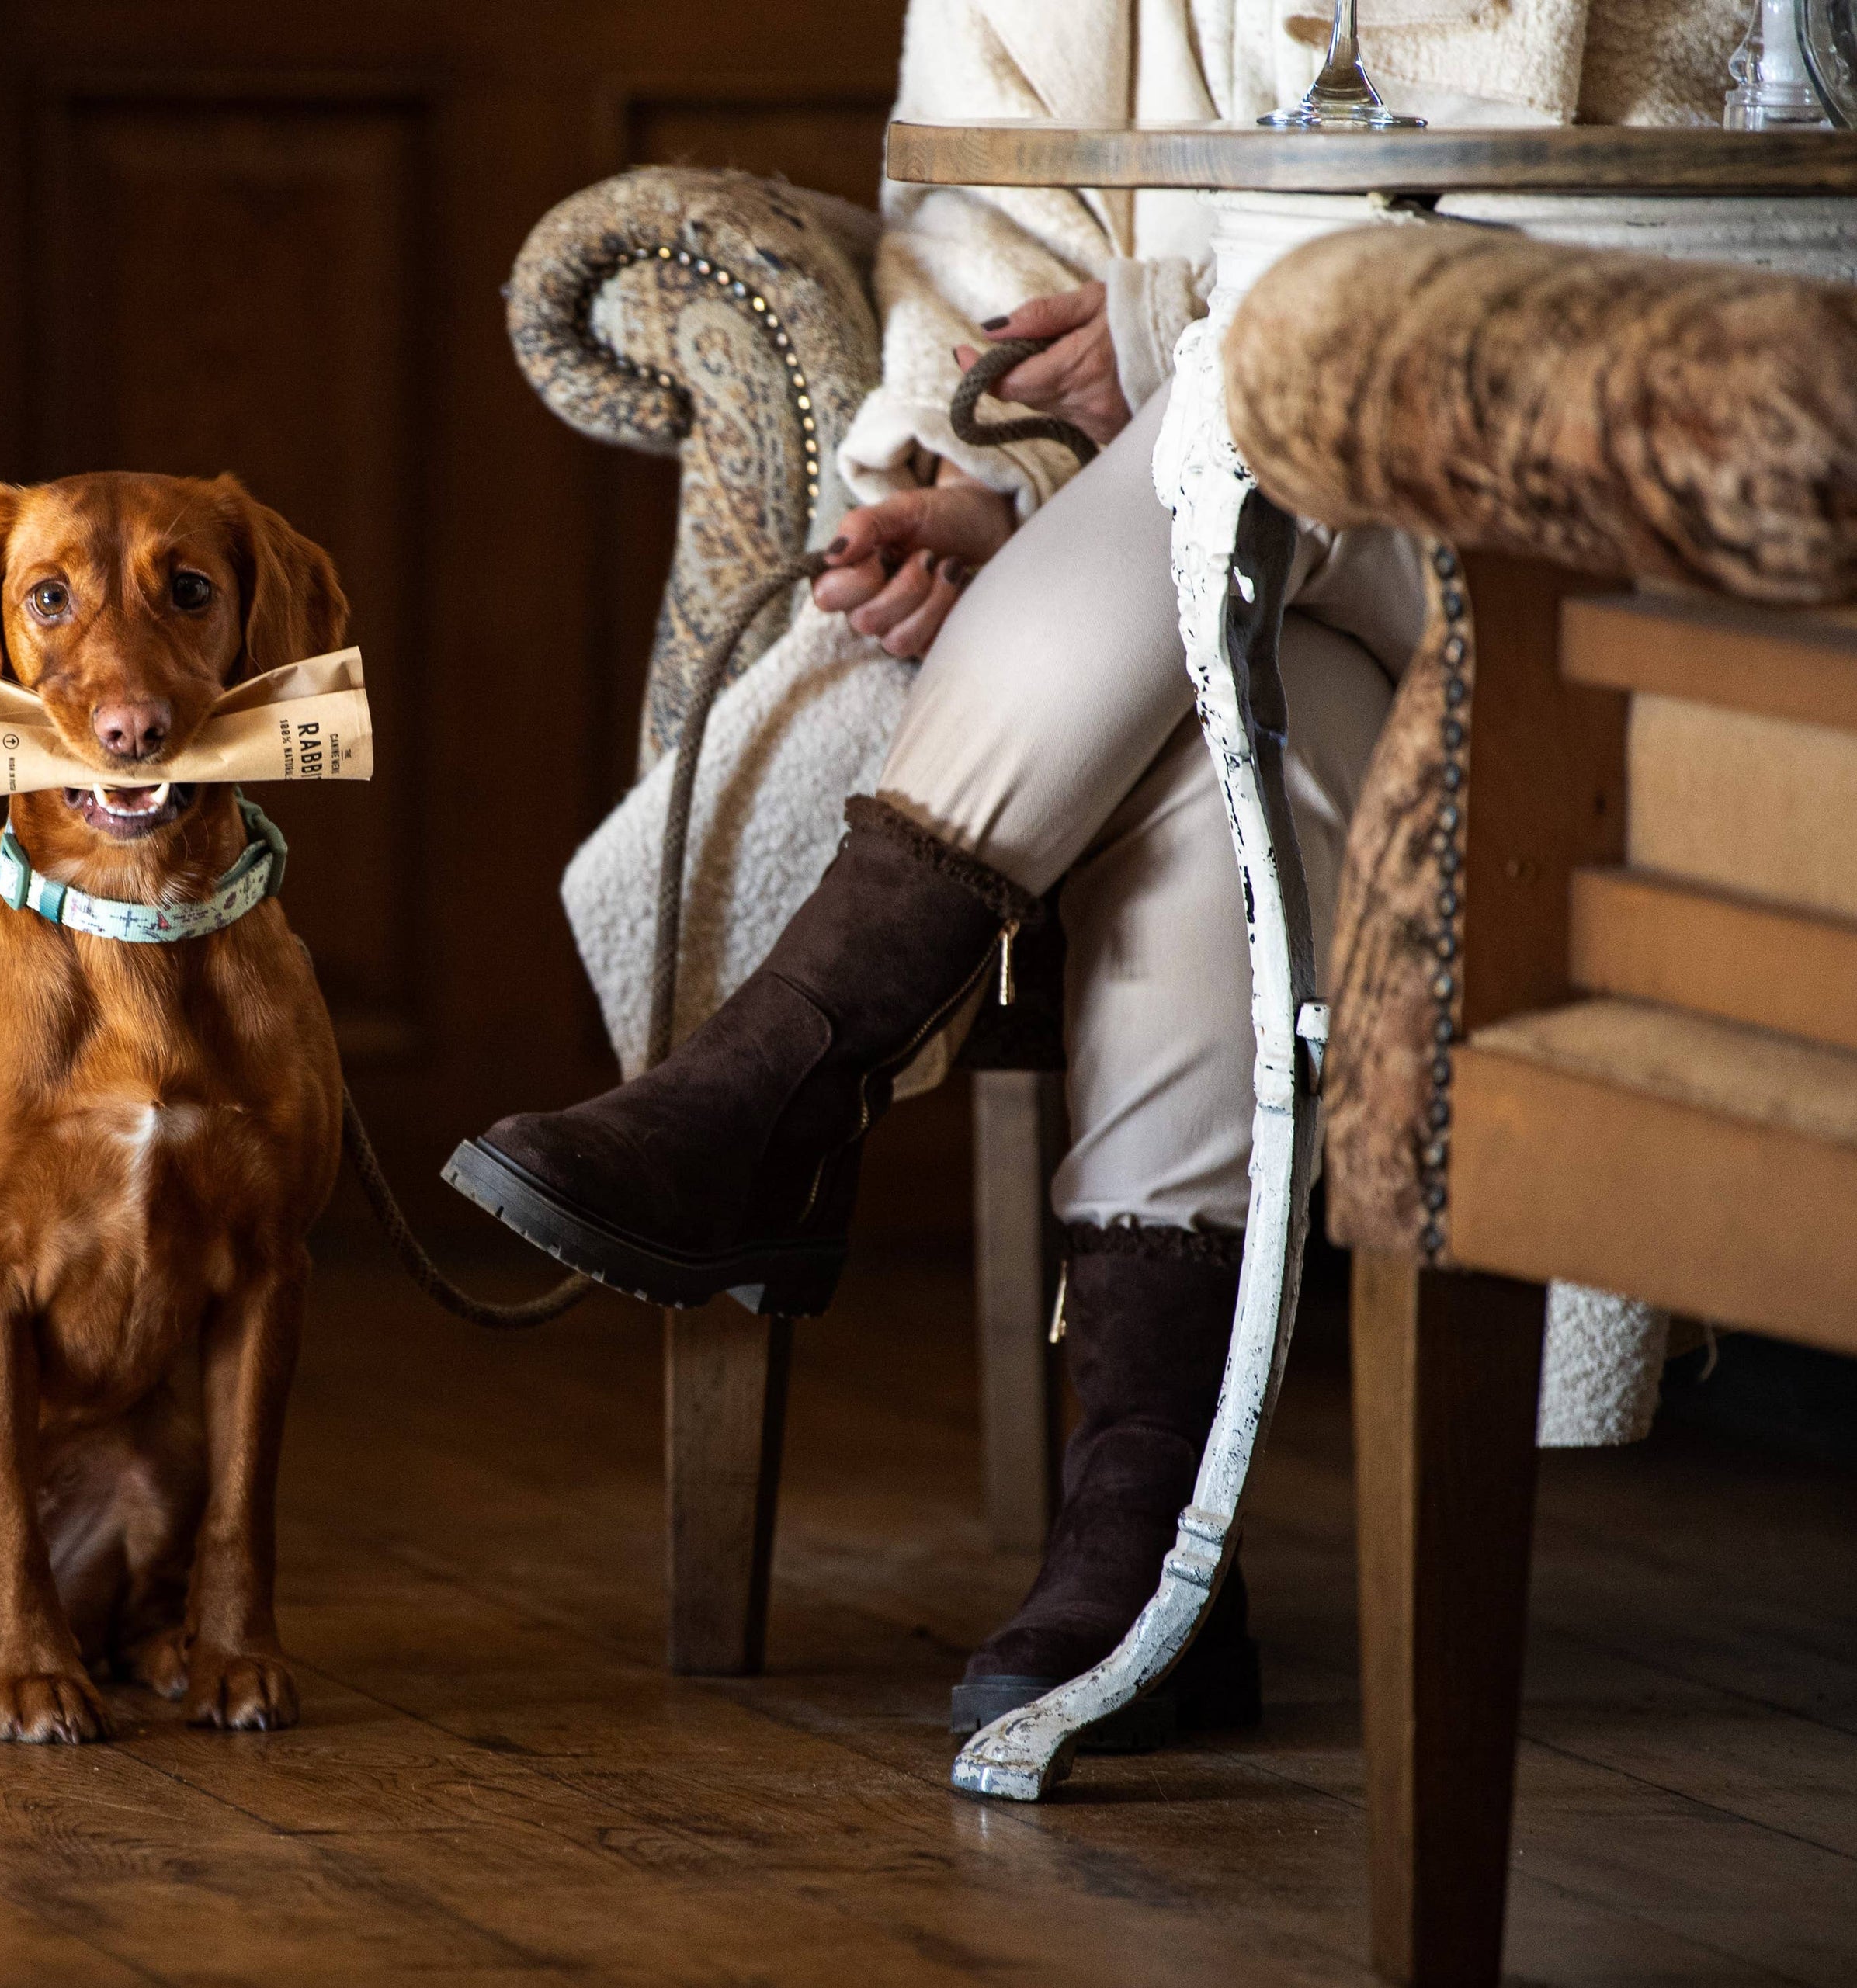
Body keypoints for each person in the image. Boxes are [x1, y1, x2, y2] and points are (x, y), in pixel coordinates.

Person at [448, 0, 1743, 1742]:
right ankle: (1148, 1552)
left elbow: (1664, 233)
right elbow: (982, 247)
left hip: (1565, 554)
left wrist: (1168, 343)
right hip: (1242, 598)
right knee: (1226, 728)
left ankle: (786, 1076)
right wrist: (1003, 487)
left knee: (1285, 397)